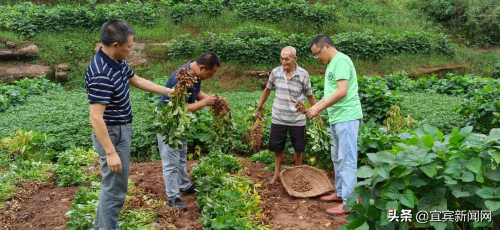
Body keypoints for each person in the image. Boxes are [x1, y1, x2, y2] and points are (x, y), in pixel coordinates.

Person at [86, 19, 173, 229]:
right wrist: (110, 152)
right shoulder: (101, 74)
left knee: (112, 188)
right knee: (114, 191)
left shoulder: (115, 62)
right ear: (115, 44)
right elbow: (96, 117)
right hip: (112, 134)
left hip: (120, 130)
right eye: (129, 46)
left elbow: (136, 80)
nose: (131, 49)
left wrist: (168, 91)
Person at [305, 35, 363, 215]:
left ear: (327, 46)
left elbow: (342, 92)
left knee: (347, 159)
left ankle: (350, 203)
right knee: (337, 157)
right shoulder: (331, 65)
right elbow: (329, 94)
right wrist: (316, 107)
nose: (317, 58)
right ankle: (340, 193)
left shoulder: (342, 61)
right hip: (337, 118)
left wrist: (318, 109)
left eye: (317, 54)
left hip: (347, 117)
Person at [157, 52, 220, 210]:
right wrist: (205, 102)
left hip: (180, 124)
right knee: (170, 161)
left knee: (181, 157)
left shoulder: (193, 74)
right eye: (210, 74)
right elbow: (182, 109)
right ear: (202, 67)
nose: (210, 77)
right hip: (169, 123)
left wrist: (214, 101)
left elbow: (196, 93)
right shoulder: (181, 78)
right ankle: (172, 198)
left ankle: (184, 186)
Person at [255, 46, 320, 185]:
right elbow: (267, 90)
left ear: (295, 59)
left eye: (287, 59)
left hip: (297, 119)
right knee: (277, 147)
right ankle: (277, 174)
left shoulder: (303, 74)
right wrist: (259, 108)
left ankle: (298, 175)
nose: (283, 62)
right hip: (278, 116)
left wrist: (318, 113)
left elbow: (310, 95)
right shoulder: (275, 72)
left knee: (298, 148)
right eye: (281, 58)